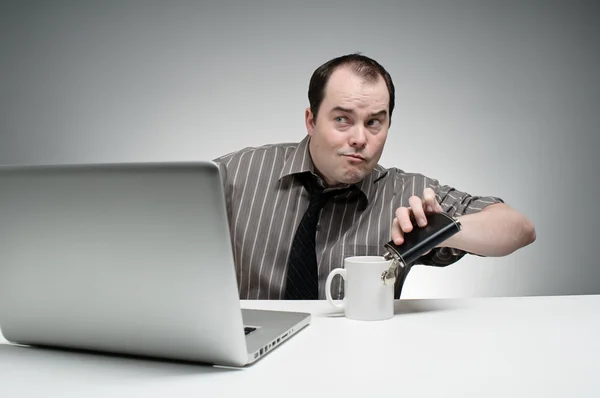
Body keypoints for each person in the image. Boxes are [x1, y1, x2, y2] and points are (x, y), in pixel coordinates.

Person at [213, 53, 536, 300]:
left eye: (373, 123)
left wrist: (440, 230)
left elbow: (519, 229)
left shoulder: (405, 195)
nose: (359, 138)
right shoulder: (237, 174)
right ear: (311, 120)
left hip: (361, 369)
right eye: (342, 119)